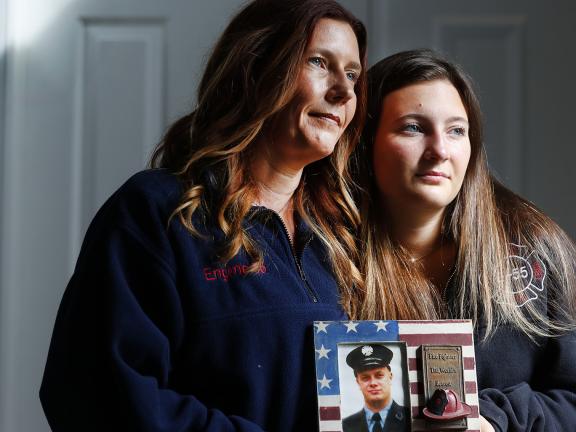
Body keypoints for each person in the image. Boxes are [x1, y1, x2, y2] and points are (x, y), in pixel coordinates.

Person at [39, 1, 367, 430]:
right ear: (254, 68)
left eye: (353, 74)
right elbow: (99, 391)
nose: (344, 91)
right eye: (319, 62)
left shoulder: (341, 235)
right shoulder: (156, 213)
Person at [350, 49, 576, 431]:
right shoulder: (328, 255)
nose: (439, 151)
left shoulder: (535, 251)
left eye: (456, 131)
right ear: (365, 141)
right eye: (413, 128)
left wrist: (495, 421)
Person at [343, 345, 408, 432]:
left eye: (379, 375)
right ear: (358, 382)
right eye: (365, 378)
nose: (373, 383)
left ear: (390, 377)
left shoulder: (409, 416)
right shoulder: (346, 425)